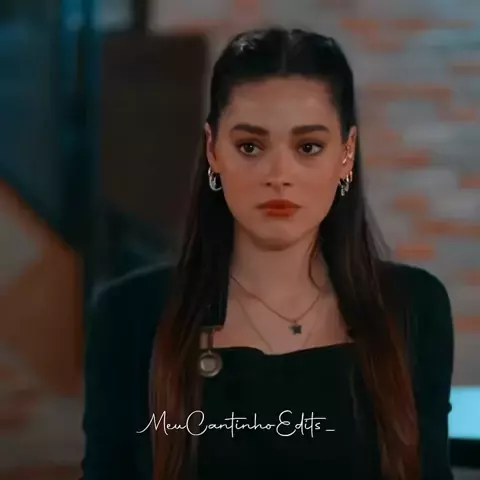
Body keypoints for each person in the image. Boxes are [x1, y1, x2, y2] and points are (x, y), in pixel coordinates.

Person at [81, 27, 454, 480]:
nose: (279, 174)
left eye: (308, 147)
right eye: (250, 147)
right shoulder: (131, 314)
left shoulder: (412, 307)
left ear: (346, 154)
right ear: (213, 151)